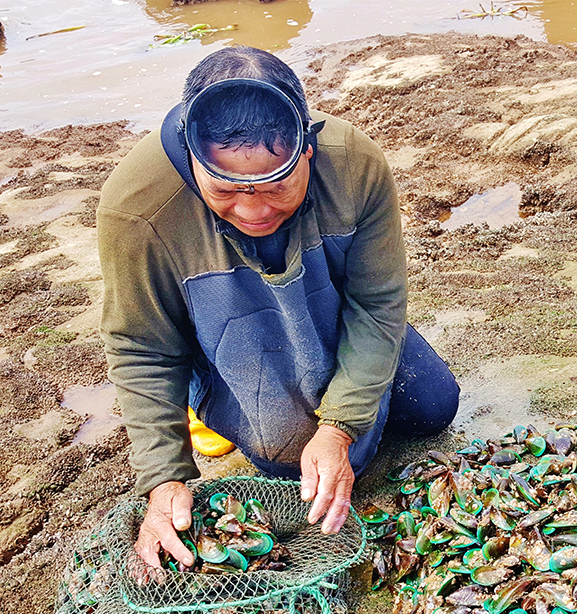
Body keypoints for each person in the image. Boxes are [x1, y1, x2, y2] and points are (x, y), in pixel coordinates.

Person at [98, 46, 459, 571]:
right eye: (225, 189)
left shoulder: (356, 165)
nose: (252, 210)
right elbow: (141, 347)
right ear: (191, 160)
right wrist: (164, 475)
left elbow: (378, 302)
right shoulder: (137, 207)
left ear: (307, 150)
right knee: (295, 467)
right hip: (222, 328)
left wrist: (338, 426)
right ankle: (215, 402)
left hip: (326, 306)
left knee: (432, 407)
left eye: (275, 187)